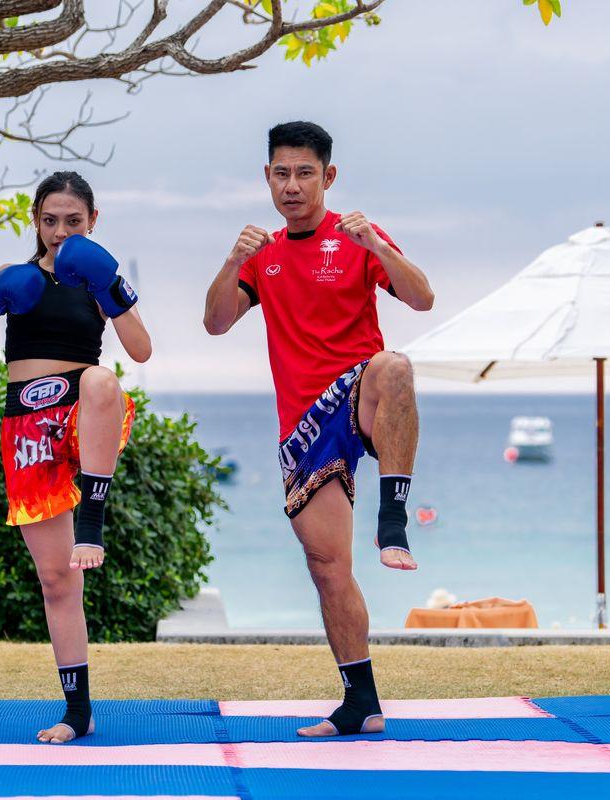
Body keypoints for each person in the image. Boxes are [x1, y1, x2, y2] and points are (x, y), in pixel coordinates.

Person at [203, 121, 434, 737]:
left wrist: (378, 247)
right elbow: (216, 324)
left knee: (395, 366)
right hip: (304, 424)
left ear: (328, 177)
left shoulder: (356, 237)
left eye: (305, 173)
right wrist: (233, 261)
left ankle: (394, 517)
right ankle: (361, 703)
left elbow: (422, 299)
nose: (292, 185)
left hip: (358, 392)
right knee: (328, 566)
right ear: (267, 178)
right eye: (281, 173)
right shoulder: (263, 254)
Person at [0, 171, 151, 744]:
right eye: (50, 220)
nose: (60, 232)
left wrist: (113, 287)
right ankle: (77, 711)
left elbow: (141, 350)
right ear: (35, 219)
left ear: (92, 221)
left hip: (85, 418)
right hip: (28, 429)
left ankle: (93, 520)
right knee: (57, 582)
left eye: (73, 221)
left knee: (102, 379)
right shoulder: (15, 277)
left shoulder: (98, 280)